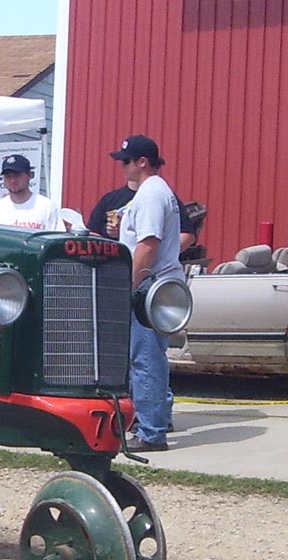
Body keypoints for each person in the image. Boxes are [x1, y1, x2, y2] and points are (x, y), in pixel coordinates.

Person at [111, 134, 183, 453]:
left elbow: (148, 244)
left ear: (142, 162)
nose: (122, 166)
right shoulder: (149, 193)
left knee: (145, 358)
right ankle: (158, 418)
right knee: (151, 356)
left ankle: (151, 432)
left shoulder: (152, 193)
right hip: (156, 285)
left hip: (149, 286)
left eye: (125, 160)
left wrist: (130, 285)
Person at [87, 181, 199, 250]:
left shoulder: (161, 196)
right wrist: (108, 233)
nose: (123, 166)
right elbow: (91, 234)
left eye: (127, 162)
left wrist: (164, 255)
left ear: (142, 162)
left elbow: (187, 235)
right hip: (111, 267)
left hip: (152, 271)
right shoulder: (110, 199)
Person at [0, 154, 63, 231]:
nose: (13, 180)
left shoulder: (47, 208)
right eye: (8, 176)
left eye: (17, 175)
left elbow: (58, 241)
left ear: (30, 175)